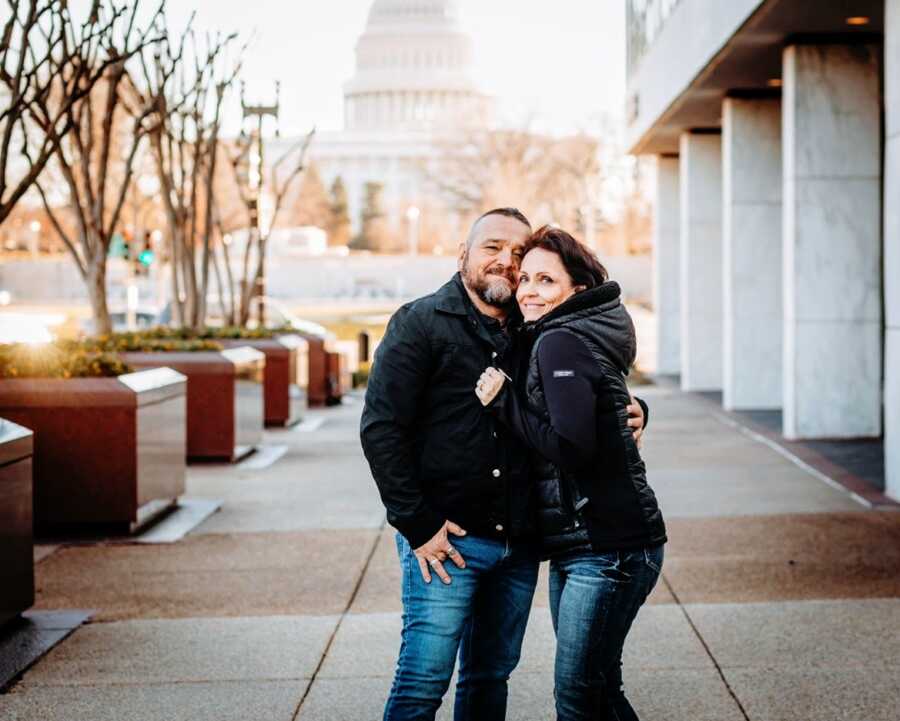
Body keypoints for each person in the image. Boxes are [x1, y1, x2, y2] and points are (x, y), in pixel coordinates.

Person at [360, 209, 647, 721]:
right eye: (492, 247)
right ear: (463, 255)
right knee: (422, 682)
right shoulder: (421, 322)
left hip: (519, 544)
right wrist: (418, 524)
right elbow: (381, 430)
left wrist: (638, 410)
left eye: (519, 253)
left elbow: (587, 383)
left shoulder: (536, 324)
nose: (507, 262)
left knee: (490, 676)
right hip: (447, 542)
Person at [476, 225, 667, 721]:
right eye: (526, 280)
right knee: (599, 689)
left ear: (575, 290)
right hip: (592, 545)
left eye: (546, 281)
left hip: (606, 548)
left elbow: (572, 447)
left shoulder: (559, 340)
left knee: (579, 697)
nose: (530, 292)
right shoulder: (568, 333)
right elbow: (602, 407)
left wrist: (503, 403)